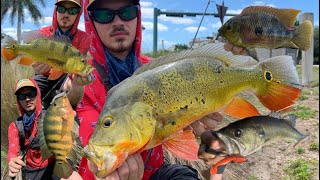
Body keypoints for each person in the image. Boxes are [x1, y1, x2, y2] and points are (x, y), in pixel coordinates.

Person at [73, 0, 224, 179]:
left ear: (138, 15)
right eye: (103, 15)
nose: (118, 22)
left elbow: (181, 131)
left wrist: (198, 126)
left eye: (127, 12)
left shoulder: (159, 70)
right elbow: (81, 152)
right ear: (91, 22)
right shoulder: (80, 79)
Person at [32, 0, 91, 110]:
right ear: (56, 11)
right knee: (28, 91)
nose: (65, 14)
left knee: (77, 87)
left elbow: (77, 66)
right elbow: (34, 58)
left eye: (72, 11)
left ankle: (69, 114)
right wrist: (36, 64)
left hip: (67, 76)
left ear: (78, 14)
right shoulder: (43, 33)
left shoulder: (84, 38)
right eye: (61, 9)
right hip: (43, 75)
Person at [7, 78, 58, 179]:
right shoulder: (15, 126)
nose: (27, 99)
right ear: (18, 100)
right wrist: (12, 162)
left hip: (54, 167)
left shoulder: (50, 117)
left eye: (31, 93)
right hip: (31, 172)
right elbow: (12, 152)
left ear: (38, 94)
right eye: (22, 96)